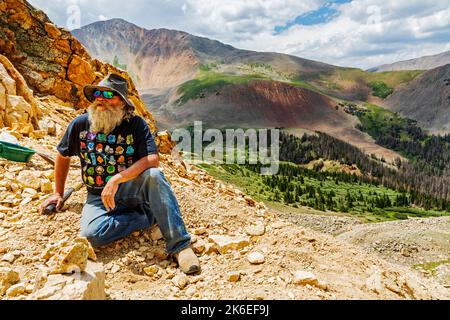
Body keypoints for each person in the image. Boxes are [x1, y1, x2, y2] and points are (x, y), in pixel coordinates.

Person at [39, 73, 200, 274]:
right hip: (98, 195)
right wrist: (58, 193)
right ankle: (150, 215)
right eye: (98, 93)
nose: (101, 99)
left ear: (123, 103)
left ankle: (180, 246)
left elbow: (152, 160)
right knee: (91, 234)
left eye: (109, 95)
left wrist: (118, 178)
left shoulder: (136, 125)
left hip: (132, 187)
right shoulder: (80, 124)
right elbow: (62, 156)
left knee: (154, 176)